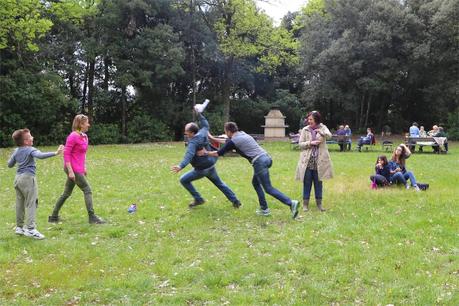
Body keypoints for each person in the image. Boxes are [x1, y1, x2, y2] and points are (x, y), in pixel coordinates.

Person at [200, 122, 299, 218]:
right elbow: (226, 142)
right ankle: (264, 209)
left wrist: (205, 153)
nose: (225, 134)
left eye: (225, 132)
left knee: (268, 188)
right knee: (255, 183)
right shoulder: (242, 134)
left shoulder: (233, 141)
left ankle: (290, 203)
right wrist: (212, 138)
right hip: (266, 158)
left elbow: (219, 153)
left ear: (229, 131)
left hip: (259, 162)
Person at [171, 110, 241, 209]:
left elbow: (189, 155)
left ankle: (198, 199)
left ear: (191, 133)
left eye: (186, 131)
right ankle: (235, 201)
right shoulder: (203, 132)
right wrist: (199, 113)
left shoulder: (193, 143)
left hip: (201, 169)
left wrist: (180, 166)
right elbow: (205, 123)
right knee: (220, 183)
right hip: (211, 165)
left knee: (183, 180)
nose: (185, 132)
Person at [49, 114, 105, 224]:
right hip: (72, 168)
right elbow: (66, 154)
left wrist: (84, 167)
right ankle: (92, 217)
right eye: (86, 123)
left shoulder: (84, 136)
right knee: (87, 190)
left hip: (78, 168)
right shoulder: (73, 136)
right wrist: (70, 171)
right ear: (80, 124)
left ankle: (53, 217)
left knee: (66, 193)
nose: (88, 124)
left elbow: (82, 154)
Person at [8, 129, 64, 239]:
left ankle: (19, 228)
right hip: (28, 179)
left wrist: (16, 155)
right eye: (30, 137)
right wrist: (55, 153)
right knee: (31, 203)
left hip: (17, 179)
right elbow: (40, 155)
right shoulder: (30, 150)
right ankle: (31, 229)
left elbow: (10, 164)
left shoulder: (16, 151)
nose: (32, 137)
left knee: (20, 204)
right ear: (25, 141)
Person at [295, 111, 333, 212]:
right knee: (307, 183)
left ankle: (319, 204)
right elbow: (300, 144)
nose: (309, 121)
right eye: (308, 119)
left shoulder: (323, 127)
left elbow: (329, 136)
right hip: (307, 161)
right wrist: (310, 143)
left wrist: (321, 132)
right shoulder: (305, 129)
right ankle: (305, 205)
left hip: (319, 161)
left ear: (316, 120)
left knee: (318, 183)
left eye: (311, 119)